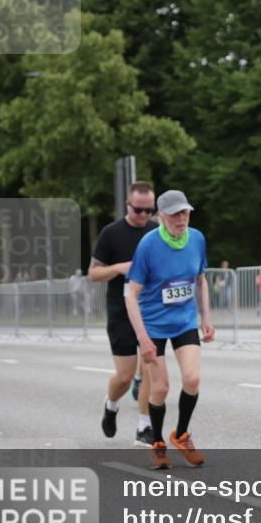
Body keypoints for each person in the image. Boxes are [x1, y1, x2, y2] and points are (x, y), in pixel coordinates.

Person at [125, 190, 214, 470]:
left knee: (193, 379)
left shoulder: (197, 239)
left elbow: (200, 280)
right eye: (175, 213)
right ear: (161, 216)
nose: (181, 218)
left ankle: (182, 434)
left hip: (184, 321)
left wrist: (206, 318)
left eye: (185, 212)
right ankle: (158, 443)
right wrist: (142, 338)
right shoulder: (148, 246)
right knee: (161, 388)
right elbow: (130, 293)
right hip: (153, 325)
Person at [90, 181, 157, 447]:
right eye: (138, 210)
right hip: (121, 311)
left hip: (151, 310)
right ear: (128, 205)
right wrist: (119, 268)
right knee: (125, 376)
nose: (143, 216)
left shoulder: (157, 231)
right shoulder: (111, 233)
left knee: (151, 368)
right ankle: (111, 404)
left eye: (148, 210)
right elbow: (94, 273)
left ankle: (144, 426)